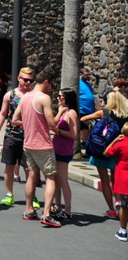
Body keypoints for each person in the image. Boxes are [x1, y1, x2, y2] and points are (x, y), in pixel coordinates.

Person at [12, 70, 60, 227]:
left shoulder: (25, 97)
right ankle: (47, 214)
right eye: (51, 84)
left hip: (28, 143)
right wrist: (60, 114)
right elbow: (51, 123)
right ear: (46, 81)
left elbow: (14, 119)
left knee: (31, 176)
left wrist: (29, 123)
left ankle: (29, 210)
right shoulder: (44, 98)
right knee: (51, 177)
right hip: (43, 144)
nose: (51, 87)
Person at [81, 90, 128, 219]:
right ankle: (119, 203)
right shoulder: (125, 115)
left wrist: (94, 124)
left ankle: (111, 209)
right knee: (115, 179)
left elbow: (83, 119)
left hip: (101, 149)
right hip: (117, 150)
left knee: (105, 181)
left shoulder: (104, 113)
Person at [0, 67, 36, 208]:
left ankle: (32, 195)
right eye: (25, 80)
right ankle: (9, 194)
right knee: (9, 165)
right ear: (19, 78)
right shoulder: (9, 95)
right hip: (12, 134)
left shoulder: (34, 96)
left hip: (29, 137)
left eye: (30, 80)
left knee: (29, 168)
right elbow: (2, 113)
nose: (28, 83)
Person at [51, 87, 79, 220]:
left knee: (63, 180)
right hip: (56, 148)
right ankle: (57, 206)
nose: (58, 98)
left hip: (64, 150)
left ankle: (68, 210)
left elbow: (74, 134)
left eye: (60, 96)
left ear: (67, 98)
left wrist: (58, 131)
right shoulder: (63, 111)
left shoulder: (71, 113)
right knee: (56, 179)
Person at [104, 123, 128, 241]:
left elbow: (106, 152)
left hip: (123, 179)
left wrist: (114, 140)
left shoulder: (121, 143)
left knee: (124, 206)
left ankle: (123, 230)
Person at [79, 67, 96, 146]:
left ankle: (85, 141)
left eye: (88, 74)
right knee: (83, 126)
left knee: (87, 126)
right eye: (86, 75)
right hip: (82, 108)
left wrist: (94, 106)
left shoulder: (88, 84)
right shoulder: (78, 83)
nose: (88, 76)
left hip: (89, 109)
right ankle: (84, 142)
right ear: (81, 74)